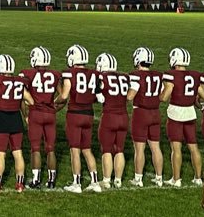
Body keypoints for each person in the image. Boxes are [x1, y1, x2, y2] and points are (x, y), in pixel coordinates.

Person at [60, 45, 102, 193]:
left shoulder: (69, 73)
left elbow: (64, 95)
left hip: (75, 114)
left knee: (75, 150)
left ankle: (76, 183)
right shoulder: (94, 74)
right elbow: (99, 95)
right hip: (89, 114)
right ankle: (95, 182)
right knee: (87, 149)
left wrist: (55, 101)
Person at [162, 48, 203, 187]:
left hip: (176, 113)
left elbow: (165, 96)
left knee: (176, 148)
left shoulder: (171, 75)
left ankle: (176, 179)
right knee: (194, 147)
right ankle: (198, 178)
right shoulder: (195, 75)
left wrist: (159, 95)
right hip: (190, 112)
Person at [0, 55, 28, 193]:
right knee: (18, 152)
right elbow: (30, 100)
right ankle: (20, 184)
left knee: (0, 154)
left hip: (2, 119)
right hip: (16, 118)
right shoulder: (19, 81)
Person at [23, 46, 61, 189]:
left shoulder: (28, 73)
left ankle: (36, 179)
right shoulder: (55, 74)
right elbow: (63, 95)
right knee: (50, 148)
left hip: (36, 112)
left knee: (35, 148)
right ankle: (51, 180)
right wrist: (54, 107)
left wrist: (26, 114)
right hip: (50, 113)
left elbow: (23, 95)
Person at [126, 47, 165, 187]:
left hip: (141, 113)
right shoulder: (158, 75)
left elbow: (131, 96)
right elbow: (163, 95)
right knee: (156, 147)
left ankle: (138, 179)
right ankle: (159, 178)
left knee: (139, 148)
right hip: (155, 112)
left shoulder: (136, 75)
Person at [96, 53, 130, 188]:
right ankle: (118, 180)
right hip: (123, 116)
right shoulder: (125, 77)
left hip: (109, 116)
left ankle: (106, 180)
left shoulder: (102, 77)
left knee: (107, 150)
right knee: (119, 149)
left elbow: (100, 98)